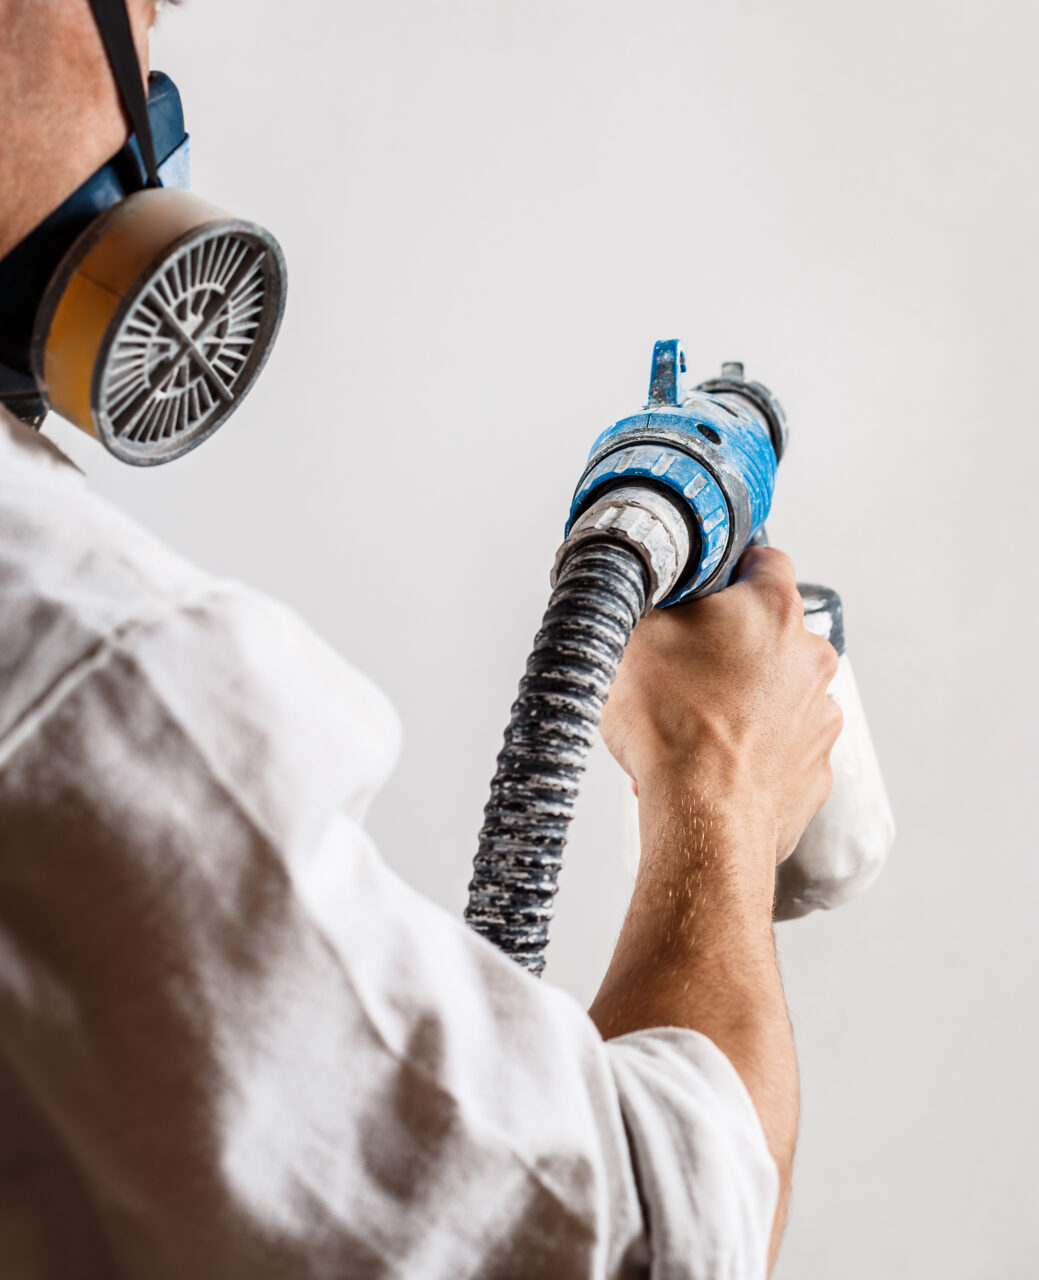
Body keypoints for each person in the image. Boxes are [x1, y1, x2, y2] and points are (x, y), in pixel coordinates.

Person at [0, 2, 842, 1276]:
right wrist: (719, 769)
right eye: (139, 9)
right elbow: (652, 1239)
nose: (152, 83)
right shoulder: (78, 664)